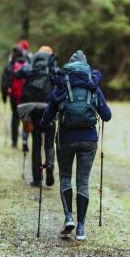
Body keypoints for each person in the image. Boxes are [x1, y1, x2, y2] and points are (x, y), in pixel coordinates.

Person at [40, 50, 112, 241]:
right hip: (89, 139)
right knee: (83, 181)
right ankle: (81, 228)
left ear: (69, 66)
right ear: (85, 66)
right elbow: (107, 115)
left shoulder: (61, 84)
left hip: (65, 139)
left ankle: (69, 217)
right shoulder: (92, 85)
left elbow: (46, 117)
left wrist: (45, 123)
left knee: (65, 177)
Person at [18, 46, 59, 187]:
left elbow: (19, 74)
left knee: (36, 143)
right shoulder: (52, 65)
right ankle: (50, 167)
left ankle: (37, 179)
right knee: (49, 143)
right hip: (49, 108)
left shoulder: (32, 64)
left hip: (34, 108)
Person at [0, 45, 28, 150]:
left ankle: (14, 142)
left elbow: (4, 84)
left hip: (13, 96)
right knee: (25, 117)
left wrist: (4, 98)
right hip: (25, 96)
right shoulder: (26, 64)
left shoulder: (9, 66)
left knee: (15, 117)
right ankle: (25, 140)